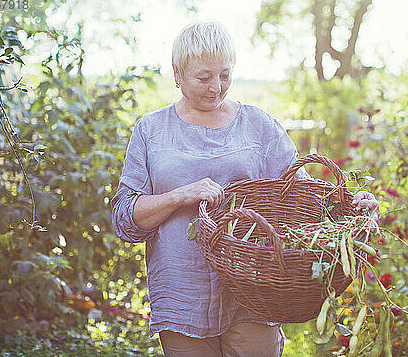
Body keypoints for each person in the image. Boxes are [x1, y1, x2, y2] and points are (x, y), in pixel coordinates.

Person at [111, 21, 379, 357]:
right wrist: (182, 195)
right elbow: (125, 219)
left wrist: (351, 204)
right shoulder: (152, 131)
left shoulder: (258, 125)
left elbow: (304, 197)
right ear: (177, 74)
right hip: (182, 295)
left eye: (225, 75)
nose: (217, 87)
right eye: (204, 77)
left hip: (256, 289)